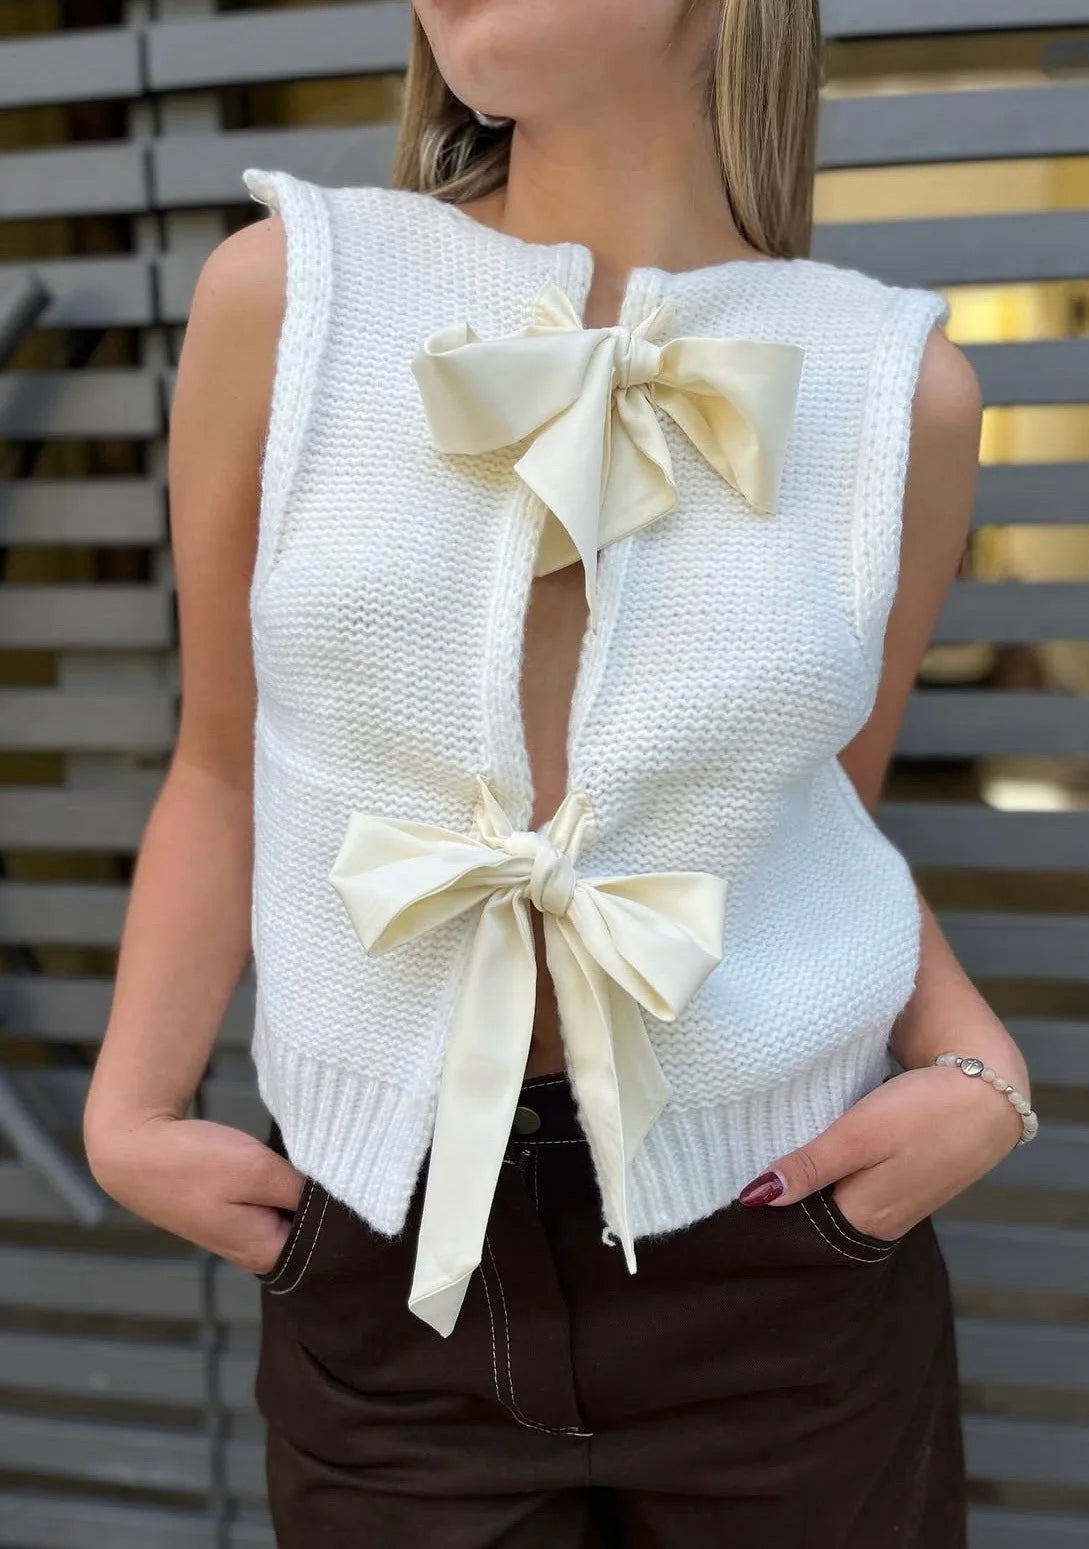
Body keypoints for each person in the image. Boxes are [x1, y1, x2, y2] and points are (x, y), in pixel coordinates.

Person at [82, 2, 1038, 1545]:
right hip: (387, 1250)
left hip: (777, 1256)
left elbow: (812, 810)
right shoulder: (287, 298)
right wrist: (128, 1107)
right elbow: (220, 755)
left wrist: (974, 1063)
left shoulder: (891, 389)